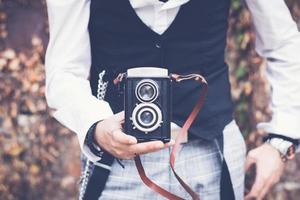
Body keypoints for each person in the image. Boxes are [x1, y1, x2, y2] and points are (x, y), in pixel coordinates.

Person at [45, 0, 300, 199]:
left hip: (214, 155)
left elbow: (283, 43)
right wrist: (96, 126)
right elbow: (64, 70)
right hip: (116, 167)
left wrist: (282, 139)